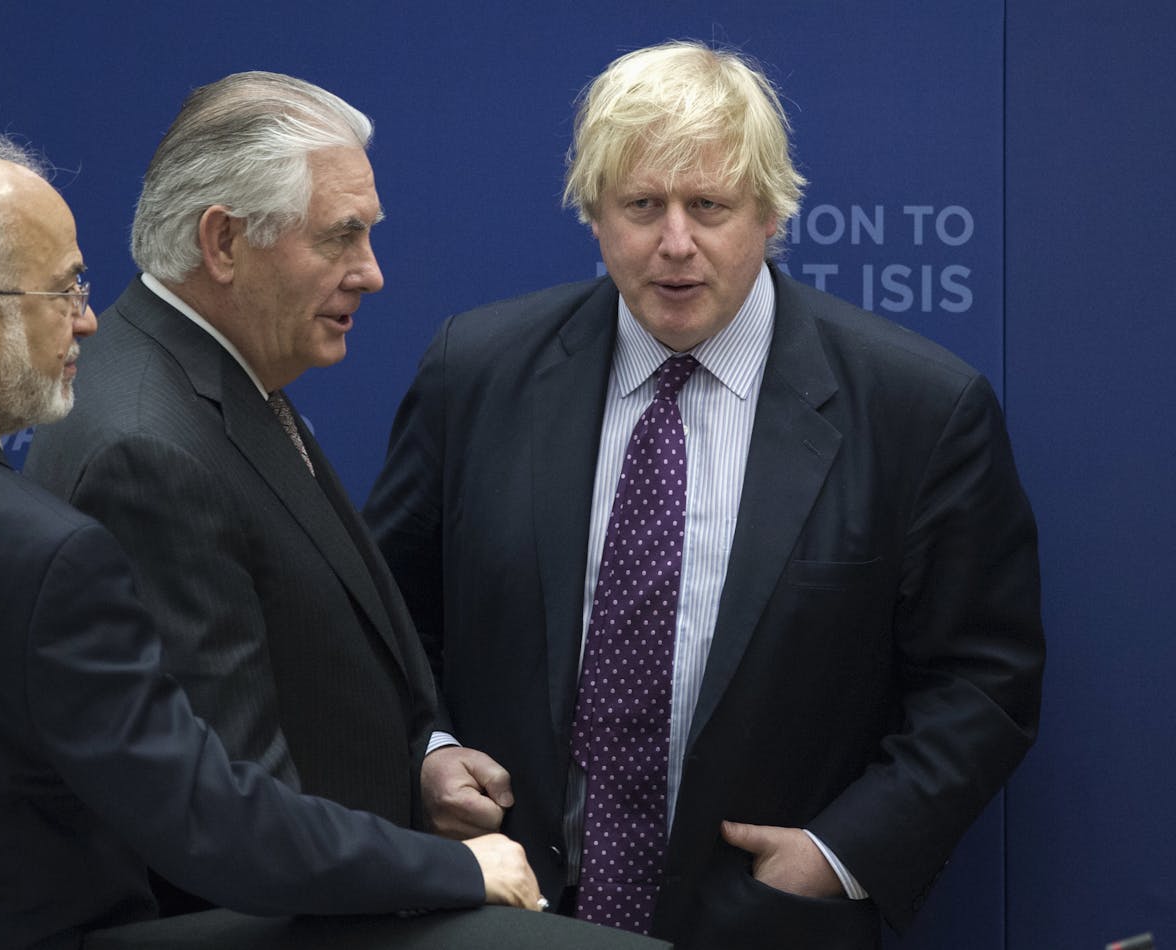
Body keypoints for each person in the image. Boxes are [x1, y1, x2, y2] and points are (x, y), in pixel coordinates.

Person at [0, 128, 540, 949]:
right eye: (64, 291)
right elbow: (210, 823)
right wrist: (455, 869)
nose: (89, 322)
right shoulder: (45, 553)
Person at [365, 40, 1044, 950]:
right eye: (641, 205)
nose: (675, 243)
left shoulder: (918, 409)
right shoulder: (476, 373)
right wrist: (428, 752)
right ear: (595, 215)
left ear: (770, 212)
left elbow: (984, 682)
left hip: (767, 921)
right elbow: (380, 620)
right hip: (504, 915)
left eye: (709, 206)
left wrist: (839, 855)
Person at [25, 72, 511, 915]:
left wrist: (418, 763)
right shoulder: (150, 448)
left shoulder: (213, 372)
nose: (373, 274)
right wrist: (454, 873)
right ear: (223, 242)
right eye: (341, 237)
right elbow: (229, 812)